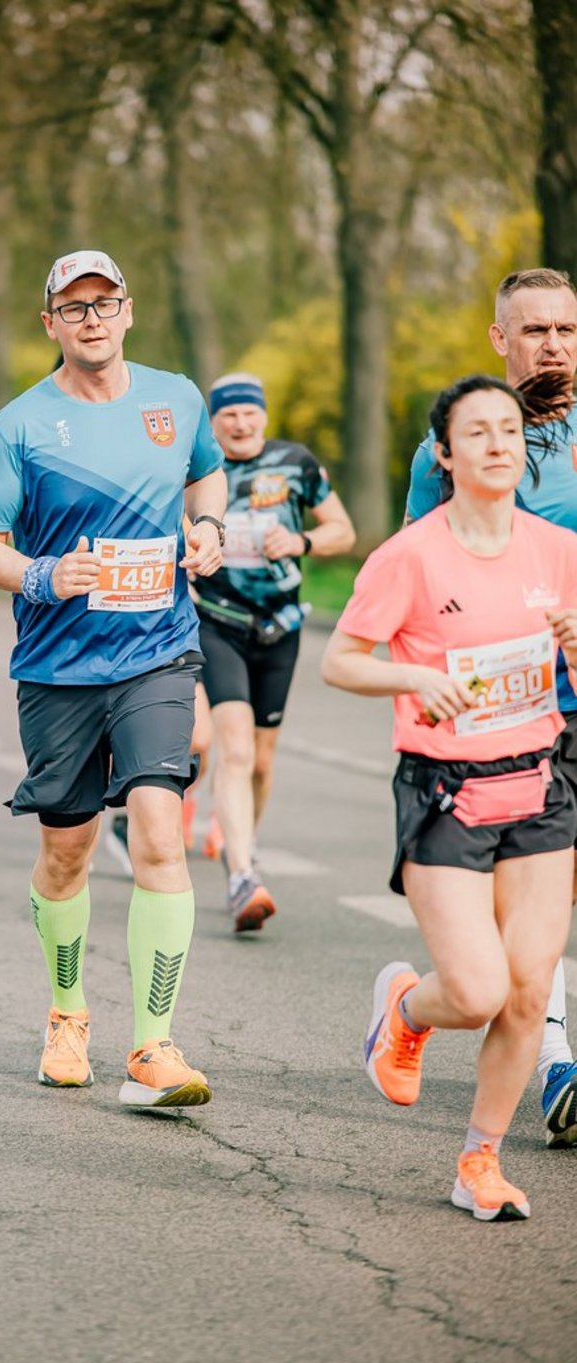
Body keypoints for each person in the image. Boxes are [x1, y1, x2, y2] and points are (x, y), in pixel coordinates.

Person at [0, 249, 228, 1109]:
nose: (91, 317)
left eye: (104, 302)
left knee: (159, 830)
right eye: (72, 307)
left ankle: (153, 1044)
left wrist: (211, 528)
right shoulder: (20, 426)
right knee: (67, 850)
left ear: (127, 310)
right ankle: (68, 1011)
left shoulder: (175, 397)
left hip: (157, 649)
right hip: (59, 668)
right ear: (51, 323)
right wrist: (44, 576)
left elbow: (206, 473)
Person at [322, 374, 577, 1221]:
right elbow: (342, 658)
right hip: (445, 790)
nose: (499, 443)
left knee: (530, 991)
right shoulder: (412, 555)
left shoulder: (557, 551)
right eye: (477, 432)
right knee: (474, 991)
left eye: (509, 429)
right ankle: (406, 1007)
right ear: (445, 452)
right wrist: (413, 676)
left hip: (538, 783)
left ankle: (480, 1160)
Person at [406, 268, 577, 1150]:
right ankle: (552, 1058)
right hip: (503, 716)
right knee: (531, 913)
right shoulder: (461, 444)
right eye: (535, 329)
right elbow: (414, 578)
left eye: (567, 330)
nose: (553, 344)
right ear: (498, 339)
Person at [189, 372, 355, 932]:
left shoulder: (295, 464)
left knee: (261, 759)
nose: (240, 422)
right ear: (214, 421)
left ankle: (244, 845)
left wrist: (302, 541)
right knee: (233, 751)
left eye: (249, 413)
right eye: (228, 414)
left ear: (263, 416)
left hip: (279, 626)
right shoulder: (198, 471)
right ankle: (241, 875)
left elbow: (342, 530)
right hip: (218, 622)